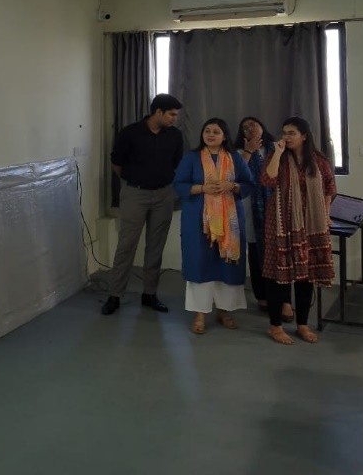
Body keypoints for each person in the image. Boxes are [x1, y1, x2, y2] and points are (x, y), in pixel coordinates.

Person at [101, 94, 184, 316]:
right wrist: (134, 180)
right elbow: (116, 163)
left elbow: (176, 163)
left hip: (163, 194)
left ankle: (150, 294)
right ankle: (115, 295)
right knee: (126, 244)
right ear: (158, 112)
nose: (175, 119)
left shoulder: (175, 135)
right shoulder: (130, 133)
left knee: (156, 246)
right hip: (135, 193)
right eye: (171, 114)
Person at [174, 118, 254, 334]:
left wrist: (232, 185)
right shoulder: (191, 158)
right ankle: (200, 314)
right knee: (200, 262)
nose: (210, 135)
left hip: (230, 223)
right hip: (198, 221)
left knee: (227, 265)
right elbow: (179, 184)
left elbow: (249, 184)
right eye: (207, 131)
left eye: (216, 132)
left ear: (224, 136)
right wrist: (202, 188)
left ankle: (224, 311)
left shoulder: (235, 158)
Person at [261, 116, 336, 345]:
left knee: (306, 275)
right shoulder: (277, 157)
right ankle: (275, 327)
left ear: (304, 136)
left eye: (291, 133)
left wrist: (325, 214)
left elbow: (329, 188)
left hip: (310, 224)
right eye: (284, 132)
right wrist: (277, 153)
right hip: (280, 223)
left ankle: (302, 324)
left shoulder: (319, 161)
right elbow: (267, 180)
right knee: (277, 276)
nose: (286, 137)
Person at [234, 116, 290, 315]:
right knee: (256, 254)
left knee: (281, 254)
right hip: (251, 209)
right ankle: (262, 296)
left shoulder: (276, 148)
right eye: (245, 127)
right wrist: (249, 151)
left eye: (254, 124)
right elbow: (236, 175)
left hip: (276, 206)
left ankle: (285, 300)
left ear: (262, 127)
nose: (250, 128)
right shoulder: (239, 152)